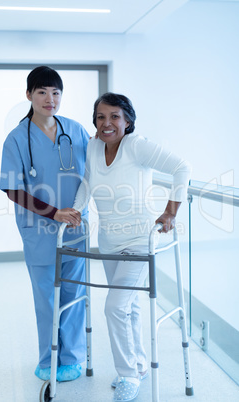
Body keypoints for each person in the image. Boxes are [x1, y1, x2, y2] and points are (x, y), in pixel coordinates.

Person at [73, 92, 191, 401]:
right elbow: (85, 182)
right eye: (101, 117)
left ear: (128, 121)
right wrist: (76, 210)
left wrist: (170, 212)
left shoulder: (137, 146)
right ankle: (137, 364)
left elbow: (181, 167)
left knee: (114, 307)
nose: (107, 123)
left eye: (114, 116)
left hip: (138, 242)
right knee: (129, 307)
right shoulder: (93, 146)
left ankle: (128, 376)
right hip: (108, 242)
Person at [0, 66, 89, 382]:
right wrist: (54, 213)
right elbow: (12, 188)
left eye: (56, 92)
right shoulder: (16, 138)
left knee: (75, 297)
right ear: (29, 95)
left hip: (76, 228)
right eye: (42, 92)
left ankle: (74, 358)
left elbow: (95, 172)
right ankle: (48, 358)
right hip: (39, 232)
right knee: (47, 300)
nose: (50, 99)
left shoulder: (76, 131)